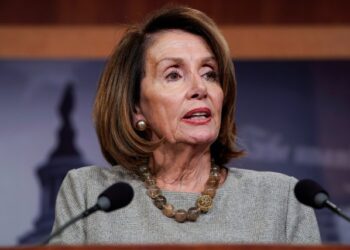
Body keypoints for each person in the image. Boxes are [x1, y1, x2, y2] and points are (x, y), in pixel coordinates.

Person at [50, 6, 320, 244]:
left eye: (209, 73)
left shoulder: (283, 200)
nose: (199, 88)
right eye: (174, 74)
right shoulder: (91, 194)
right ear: (135, 108)